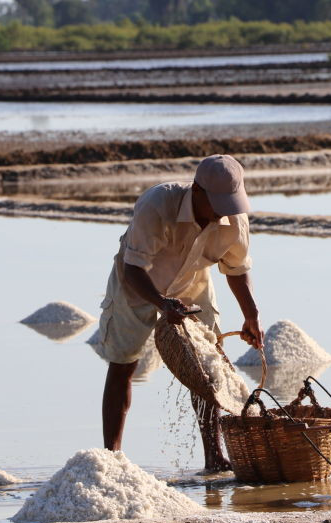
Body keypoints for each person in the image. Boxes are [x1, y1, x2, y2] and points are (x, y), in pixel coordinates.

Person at [92, 154, 264, 472]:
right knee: (122, 364)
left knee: (207, 366)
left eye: (230, 205)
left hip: (193, 279)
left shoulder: (234, 218)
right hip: (137, 283)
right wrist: (161, 303)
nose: (222, 214)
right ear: (196, 191)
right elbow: (134, 269)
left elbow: (237, 268)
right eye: (217, 205)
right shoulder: (157, 205)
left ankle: (214, 455)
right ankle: (112, 459)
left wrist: (251, 314)